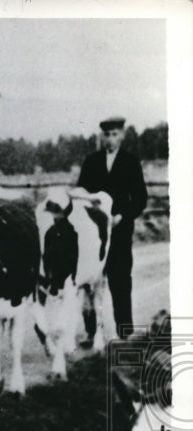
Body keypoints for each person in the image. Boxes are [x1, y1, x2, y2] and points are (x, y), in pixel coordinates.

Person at [77, 116, 148, 338]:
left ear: (122, 135)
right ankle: (91, 331)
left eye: (114, 134)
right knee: (90, 281)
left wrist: (122, 216)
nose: (110, 139)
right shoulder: (91, 162)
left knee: (120, 280)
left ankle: (124, 330)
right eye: (106, 135)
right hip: (94, 235)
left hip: (119, 230)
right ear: (101, 136)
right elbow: (82, 194)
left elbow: (140, 198)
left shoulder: (130, 161)